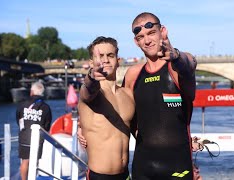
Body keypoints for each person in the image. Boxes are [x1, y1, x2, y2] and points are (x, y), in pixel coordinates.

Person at [122, 12, 198, 179]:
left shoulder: (178, 67)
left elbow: (189, 63)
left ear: (163, 32)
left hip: (178, 166)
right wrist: (83, 127)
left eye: (151, 33)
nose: (147, 40)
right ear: (136, 42)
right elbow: (122, 117)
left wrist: (176, 56)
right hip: (143, 166)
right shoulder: (133, 75)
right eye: (141, 37)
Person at [78, 36, 135, 179]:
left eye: (110, 55)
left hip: (125, 174)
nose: (105, 60)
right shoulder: (92, 94)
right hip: (99, 175)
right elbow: (88, 90)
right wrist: (92, 76)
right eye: (100, 56)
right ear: (91, 62)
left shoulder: (128, 94)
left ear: (118, 60)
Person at [16, 81, 52, 180]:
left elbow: (18, 118)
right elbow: (47, 125)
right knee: (34, 162)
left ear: (31, 92)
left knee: (25, 161)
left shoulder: (22, 104)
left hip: (24, 138)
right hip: (38, 139)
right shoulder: (45, 107)